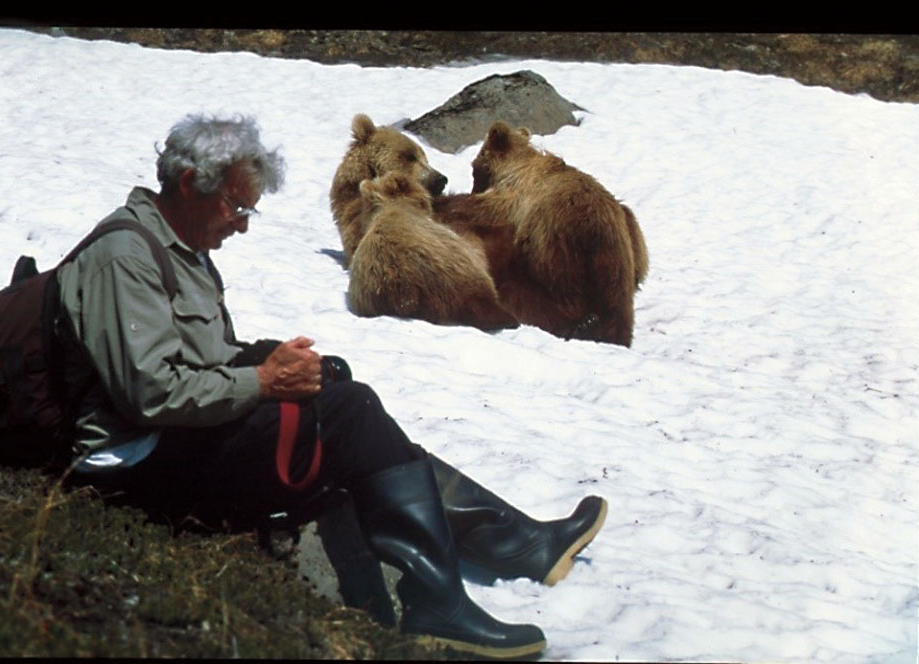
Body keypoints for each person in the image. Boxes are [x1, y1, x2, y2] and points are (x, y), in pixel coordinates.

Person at [56, 113, 608, 659]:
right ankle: (441, 597)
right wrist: (263, 380)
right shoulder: (125, 257)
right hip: (136, 464)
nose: (243, 224)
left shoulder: (180, 248)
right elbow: (151, 393)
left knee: (334, 385)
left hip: (171, 436)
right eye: (238, 206)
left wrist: (265, 360)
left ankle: (511, 543)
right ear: (187, 185)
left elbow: (193, 359)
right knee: (349, 412)